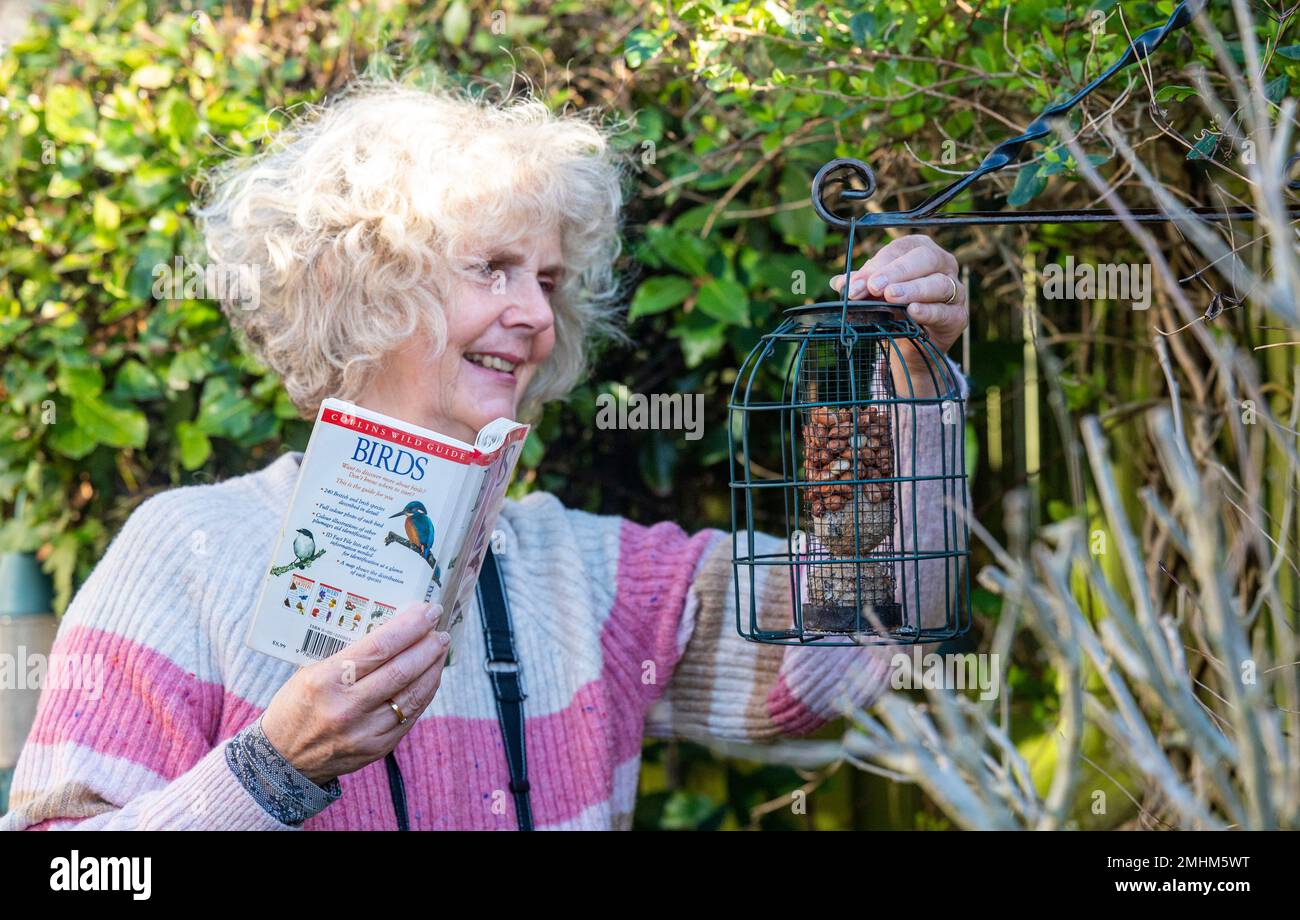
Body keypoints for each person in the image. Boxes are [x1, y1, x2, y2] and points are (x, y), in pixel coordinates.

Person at [1, 80, 969, 830]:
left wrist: (910, 383)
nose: (538, 315)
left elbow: (838, 649)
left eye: (548, 278)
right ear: (360, 285)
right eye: (493, 268)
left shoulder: (583, 570)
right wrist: (272, 768)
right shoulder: (188, 551)